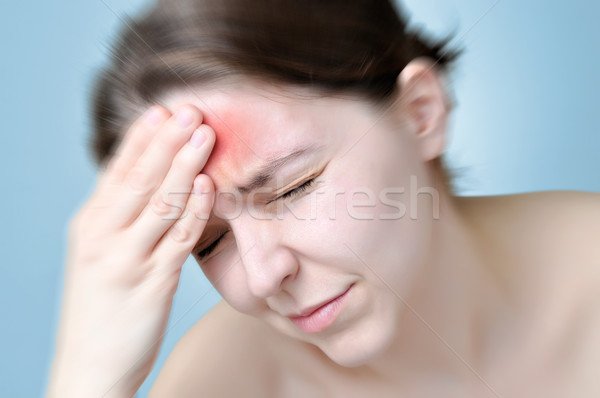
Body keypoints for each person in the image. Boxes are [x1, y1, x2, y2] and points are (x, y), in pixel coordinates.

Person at [47, 0, 600, 397]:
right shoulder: (219, 385)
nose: (264, 277)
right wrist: (89, 381)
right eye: (209, 242)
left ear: (420, 112)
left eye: (292, 188)